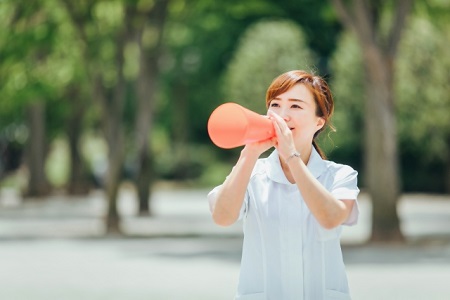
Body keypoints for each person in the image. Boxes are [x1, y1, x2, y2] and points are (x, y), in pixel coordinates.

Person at [207, 70, 360, 300]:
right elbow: (222, 217)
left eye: (296, 106)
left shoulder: (339, 175)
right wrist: (250, 153)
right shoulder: (252, 172)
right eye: (275, 105)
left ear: (319, 121)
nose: (282, 115)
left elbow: (331, 217)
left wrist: (292, 157)